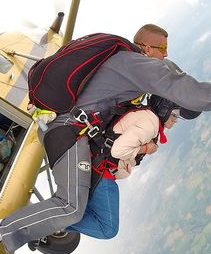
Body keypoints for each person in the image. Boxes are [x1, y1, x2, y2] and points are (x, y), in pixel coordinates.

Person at [0, 23, 211, 254]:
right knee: (72, 207)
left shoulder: (122, 69)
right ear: (147, 47)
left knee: (105, 226)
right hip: (68, 132)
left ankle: (41, 221)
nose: (165, 55)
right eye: (162, 48)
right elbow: (173, 82)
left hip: (83, 136)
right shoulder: (132, 62)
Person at [66, 95, 181, 239]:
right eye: (175, 114)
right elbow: (117, 150)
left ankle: (54, 222)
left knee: (84, 213)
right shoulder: (150, 124)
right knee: (107, 229)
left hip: (95, 164)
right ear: (164, 110)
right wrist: (145, 148)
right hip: (101, 170)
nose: (176, 119)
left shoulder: (146, 115)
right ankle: (56, 222)